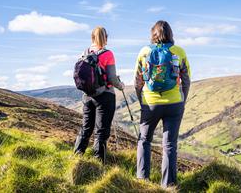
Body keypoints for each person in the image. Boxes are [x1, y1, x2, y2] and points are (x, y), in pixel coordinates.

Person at [134, 20, 191, 187]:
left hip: (150, 103)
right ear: (170, 34)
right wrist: (182, 100)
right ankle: (168, 185)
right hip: (174, 103)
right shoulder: (179, 51)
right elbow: (186, 80)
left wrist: (142, 101)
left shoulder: (144, 52)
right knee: (170, 144)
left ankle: (142, 180)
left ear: (153, 34)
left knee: (144, 140)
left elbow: (137, 81)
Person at [74, 26, 125, 163]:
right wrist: (121, 86)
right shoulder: (108, 54)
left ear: (92, 38)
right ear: (106, 38)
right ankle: (98, 162)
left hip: (87, 96)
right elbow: (112, 78)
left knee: (86, 128)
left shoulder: (84, 53)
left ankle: (76, 157)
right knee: (101, 131)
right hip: (105, 96)